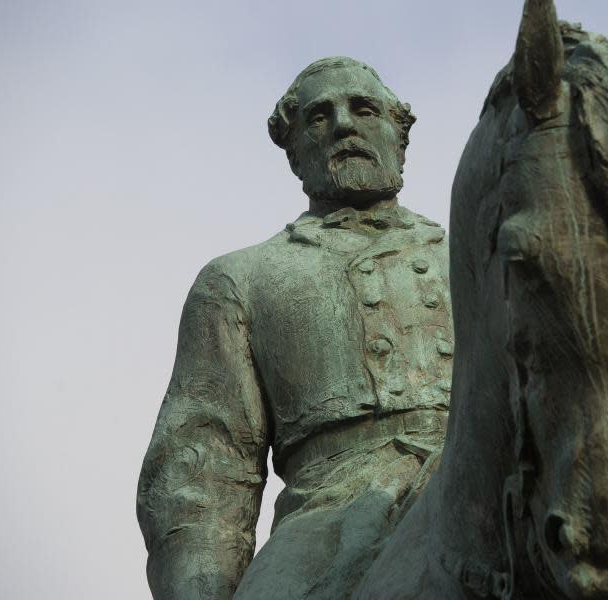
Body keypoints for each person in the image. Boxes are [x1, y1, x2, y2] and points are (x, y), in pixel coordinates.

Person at [137, 57, 452, 600]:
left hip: (495, 481)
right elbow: (205, 469)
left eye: (363, 108)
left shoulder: (473, 251)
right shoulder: (241, 278)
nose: (344, 125)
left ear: (400, 136)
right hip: (330, 515)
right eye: (318, 117)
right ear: (294, 154)